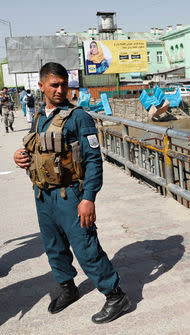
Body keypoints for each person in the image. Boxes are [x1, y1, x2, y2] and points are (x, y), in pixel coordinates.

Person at [13, 62, 130, 323]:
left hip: (70, 196)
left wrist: (89, 198)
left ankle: (116, 296)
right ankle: (68, 287)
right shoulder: (39, 116)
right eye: (54, 84)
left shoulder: (79, 117)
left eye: (64, 84)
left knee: (86, 247)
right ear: (41, 86)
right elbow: (36, 150)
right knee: (54, 247)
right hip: (43, 196)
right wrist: (19, 157)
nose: (60, 89)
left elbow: (93, 161)